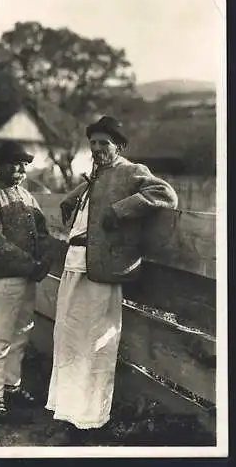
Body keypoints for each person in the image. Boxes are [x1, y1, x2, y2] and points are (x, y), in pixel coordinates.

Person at [45, 115, 178, 444]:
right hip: (75, 264)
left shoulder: (131, 171)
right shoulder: (96, 174)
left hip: (104, 269)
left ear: (119, 145)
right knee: (68, 340)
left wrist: (121, 210)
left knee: (95, 343)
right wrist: (69, 200)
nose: (97, 148)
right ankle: (66, 412)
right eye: (93, 143)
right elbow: (89, 191)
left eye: (104, 143)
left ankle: (90, 418)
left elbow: (165, 194)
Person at [0, 141, 53, 423]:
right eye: (13, 163)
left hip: (27, 276)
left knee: (21, 334)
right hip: (4, 278)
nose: (19, 170)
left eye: (24, 165)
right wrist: (31, 265)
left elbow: (42, 232)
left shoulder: (28, 197)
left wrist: (44, 262)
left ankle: (11, 386)